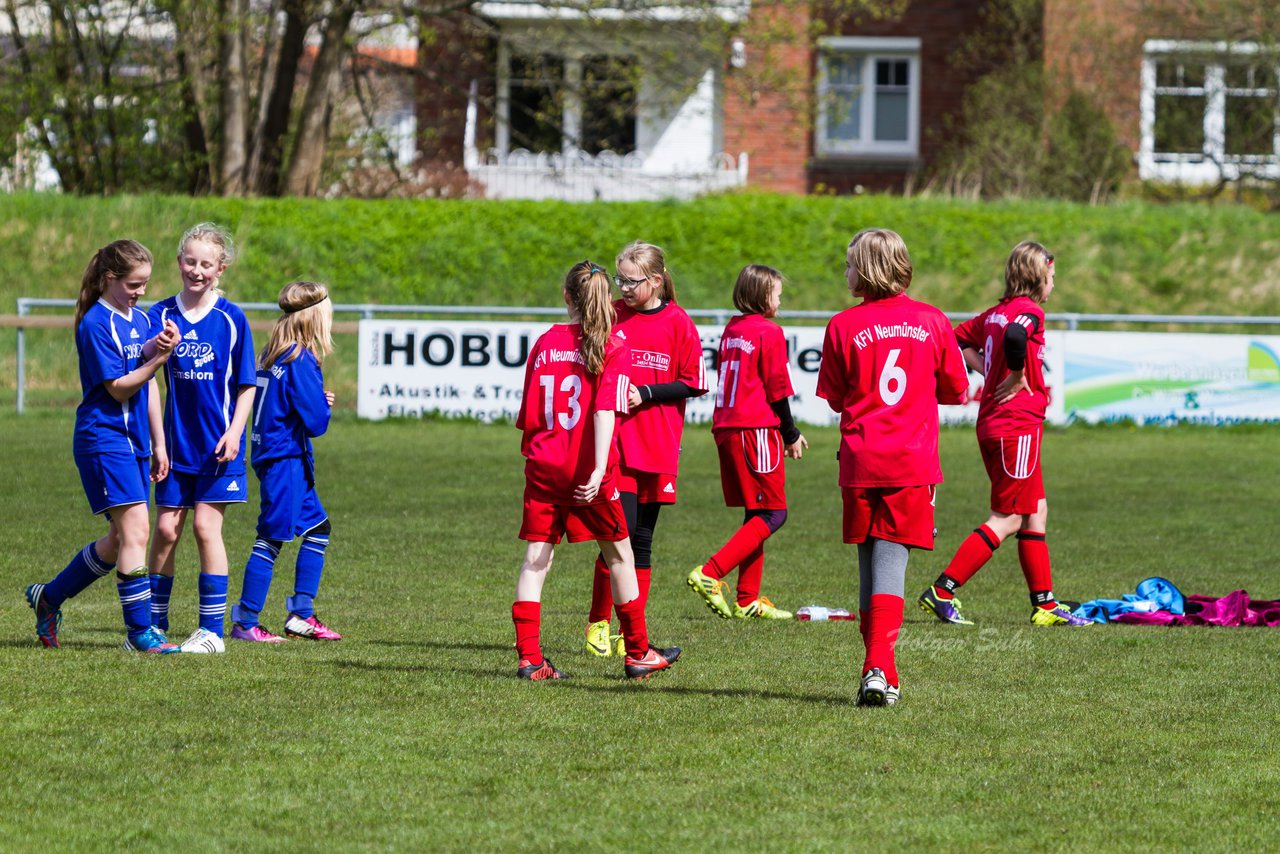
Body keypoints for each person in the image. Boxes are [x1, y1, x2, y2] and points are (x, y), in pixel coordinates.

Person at [816, 228, 969, 707]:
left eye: (849, 263)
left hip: (860, 459)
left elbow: (836, 397)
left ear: (867, 269)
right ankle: (878, 667)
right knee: (891, 563)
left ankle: (880, 671)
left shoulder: (842, 325)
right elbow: (957, 390)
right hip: (910, 460)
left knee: (870, 563)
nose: (845, 272)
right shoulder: (933, 320)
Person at [514, 260, 681, 680]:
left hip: (543, 466)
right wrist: (597, 468)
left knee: (536, 560)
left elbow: (531, 413)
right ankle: (639, 652)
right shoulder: (611, 345)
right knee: (620, 555)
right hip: (589, 470)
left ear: (567, 296)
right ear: (605, 299)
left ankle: (530, 659)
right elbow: (605, 410)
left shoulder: (545, 342)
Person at [917, 241, 1091, 628]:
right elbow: (1016, 335)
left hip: (998, 423)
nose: (1053, 285)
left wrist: (989, 368)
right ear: (1037, 276)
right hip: (1016, 425)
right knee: (1010, 516)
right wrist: (1013, 374)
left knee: (1035, 510)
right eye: (1051, 277)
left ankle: (1044, 604)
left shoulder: (995, 313)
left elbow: (957, 338)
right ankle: (943, 590)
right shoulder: (1028, 312)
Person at [25, 239, 182, 653]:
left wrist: (161, 442)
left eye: (146, 283)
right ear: (110, 279)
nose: (142, 291)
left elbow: (148, 385)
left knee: (118, 540)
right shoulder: (95, 324)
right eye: (134, 284)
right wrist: (156, 361)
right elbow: (117, 388)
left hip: (137, 442)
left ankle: (49, 597)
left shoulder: (141, 318)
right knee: (137, 530)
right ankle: (140, 634)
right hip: (104, 438)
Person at [584, 241, 707, 657]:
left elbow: (693, 381)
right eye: (618, 279)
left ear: (655, 281)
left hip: (656, 446)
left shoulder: (678, 323)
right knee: (615, 536)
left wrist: (648, 393)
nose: (623, 288)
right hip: (617, 445)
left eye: (631, 281)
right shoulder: (613, 315)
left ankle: (629, 632)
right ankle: (599, 624)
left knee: (640, 541)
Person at [146, 224, 257, 654]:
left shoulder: (233, 318)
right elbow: (145, 375)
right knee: (166, 529)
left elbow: (246, 384)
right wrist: (159, 349)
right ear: (178, 263)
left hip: (219, 447)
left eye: (206, 264)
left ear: (220, 268)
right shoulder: (159, 315)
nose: (196, 270)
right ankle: (153, 624)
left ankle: (211, 632)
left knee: (207, 527)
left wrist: (234, 431)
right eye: (189, 262)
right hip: (175, 446)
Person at [688, 264, 806, 620]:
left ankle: (746, 599)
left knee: (757, 511)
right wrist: (791, 433)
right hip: (754, 430)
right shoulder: (768, 332)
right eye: (776, 293)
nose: (780, 299)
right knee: (775, 512)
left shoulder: (733, 328)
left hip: (727, 428)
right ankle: (710, 572)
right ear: (761, 296)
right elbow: (778, 390)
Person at [229, 281, 342, 643]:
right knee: (271, 538)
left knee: (318, 529)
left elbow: (289, 404)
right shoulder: (300, 358)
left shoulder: (275, 352)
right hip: (286, 460)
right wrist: (323, 404)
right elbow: (316, 423)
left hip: (275, 456)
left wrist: (313, 398)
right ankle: (246, 620)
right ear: (316, 317)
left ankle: (301, 615)